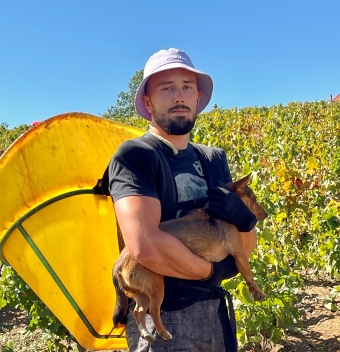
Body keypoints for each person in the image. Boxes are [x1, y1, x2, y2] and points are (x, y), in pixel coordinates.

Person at [107, 48, 258, 352]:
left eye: (187, 87)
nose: (179, 96)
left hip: (214, 312)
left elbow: (246, 245)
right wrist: (214, 272)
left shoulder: (214, 158)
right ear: (148, 102)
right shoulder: (135, 156)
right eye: (167, 88)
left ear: (197, 97)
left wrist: (245, 220)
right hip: (165, 316)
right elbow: (145, 245)